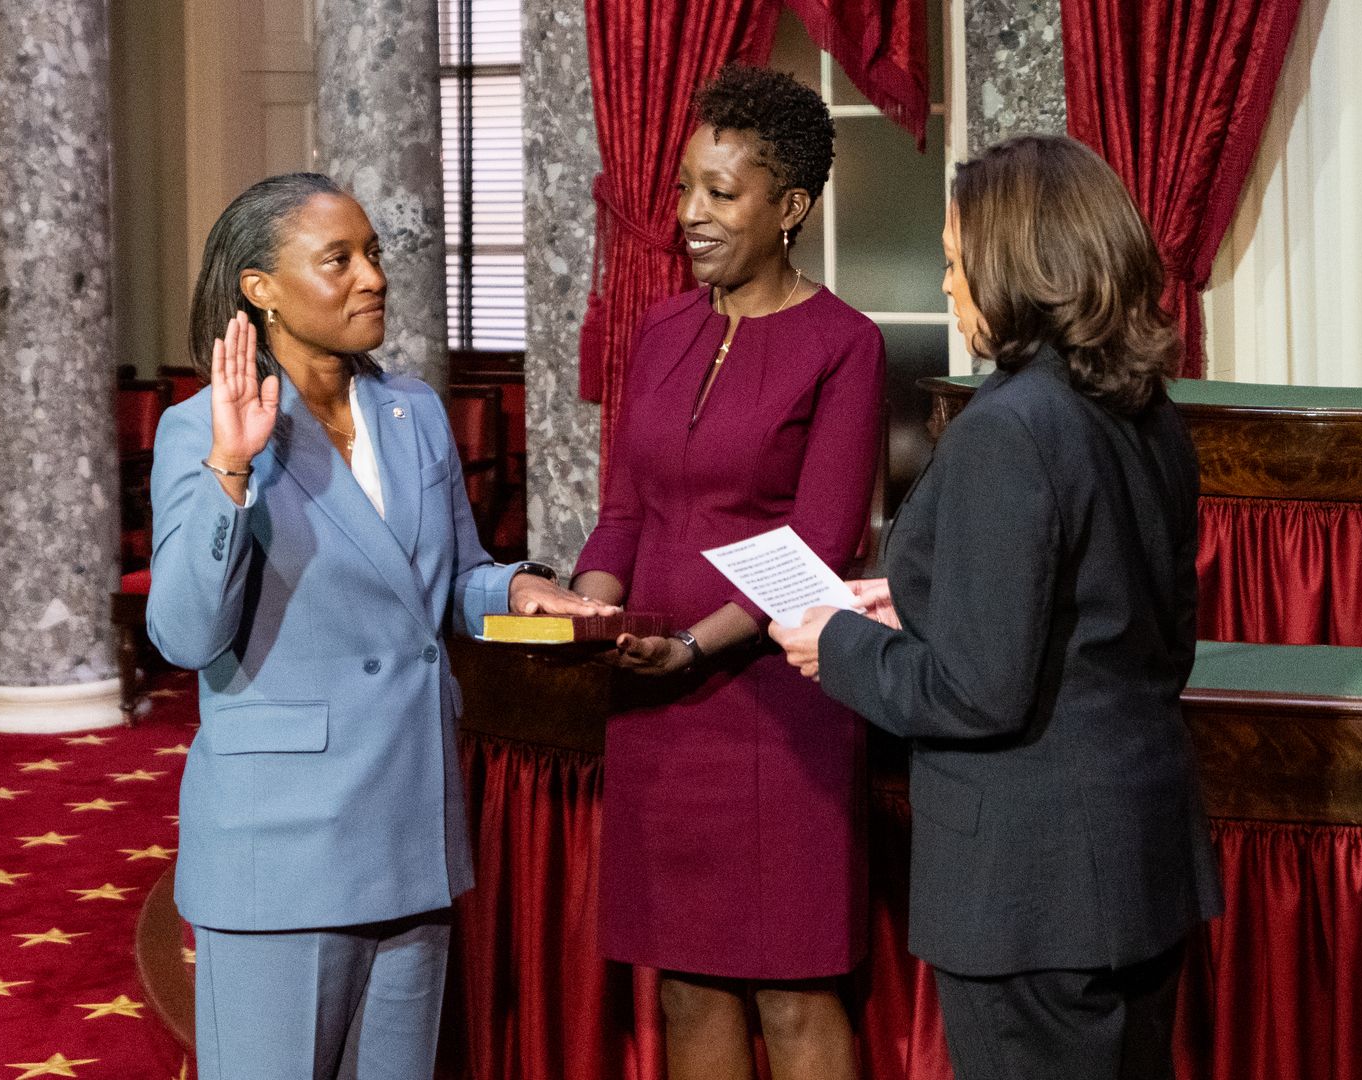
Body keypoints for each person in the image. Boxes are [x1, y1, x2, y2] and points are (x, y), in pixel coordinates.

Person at [769, 134, 1224, 1080]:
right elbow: (1132, 625)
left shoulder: (1009, 428)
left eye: (952, 263)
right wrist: (920, 593)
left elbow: (978, 693)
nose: (946, 288)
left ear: (1018, 267)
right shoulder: (1145, 409)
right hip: (1136, 874)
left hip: (1033, 896)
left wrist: (838, 645)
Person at [146, 172, 610, 1080]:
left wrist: (514, 590)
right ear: (260, 289)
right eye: (338, 259)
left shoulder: (416, 414)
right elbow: (183, 634)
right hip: (283, 846)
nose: (372, 276)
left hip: (410, 825)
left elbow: (448, 579)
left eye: (374, 254)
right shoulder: (200, 428)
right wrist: (229, 474)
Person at [570, 65, 885, 1080]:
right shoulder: (660, 327)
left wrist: (695, 645)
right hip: (653, 704)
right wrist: (590, 611)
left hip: (778, 704)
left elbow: (822, 543)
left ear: (789, 207)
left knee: (795, 992)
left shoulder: (846, 346)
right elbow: (624, 509)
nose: (689, 216)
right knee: (684, 983)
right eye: (681, 189)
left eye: (720, 193)